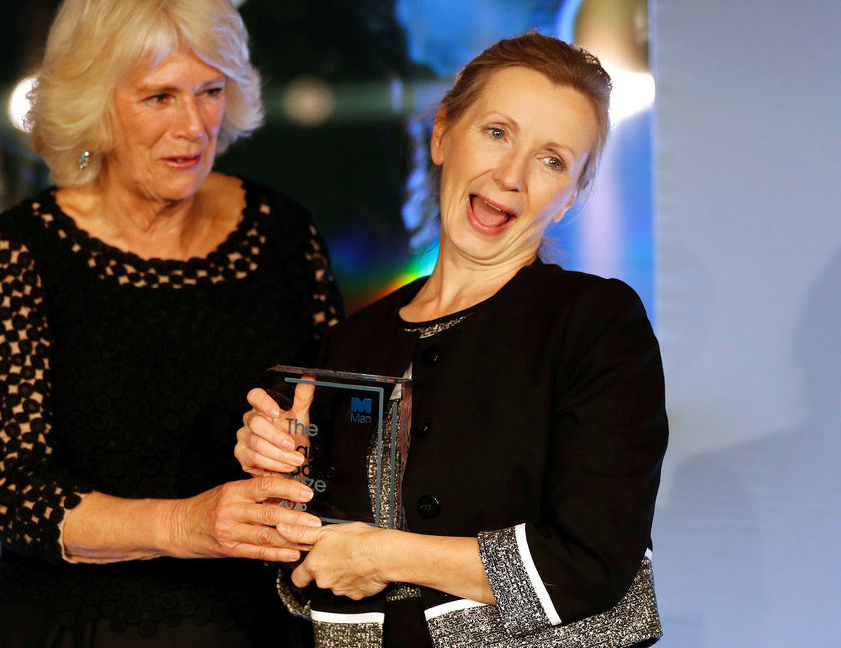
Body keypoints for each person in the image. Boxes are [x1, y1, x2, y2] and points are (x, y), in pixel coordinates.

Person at [235, 32, 667, 647]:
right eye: (497, 132)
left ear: (570, 197)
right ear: (441, 135)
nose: (511, 176)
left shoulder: (596, 323)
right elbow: (310, 564)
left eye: (552, 161)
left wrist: (384, 556)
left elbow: (591, 563)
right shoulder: (350, 343)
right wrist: (277, 473)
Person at [0, 0, 343, 645]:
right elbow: (20, 500)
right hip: (77, 627)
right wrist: (190, 524)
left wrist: (302, 448)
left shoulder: (284, 231)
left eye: (210, 90)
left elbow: (343, 434)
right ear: (95, 101)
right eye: (159, 96)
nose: (194, 126)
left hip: (261, 626)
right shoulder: (23, 249)